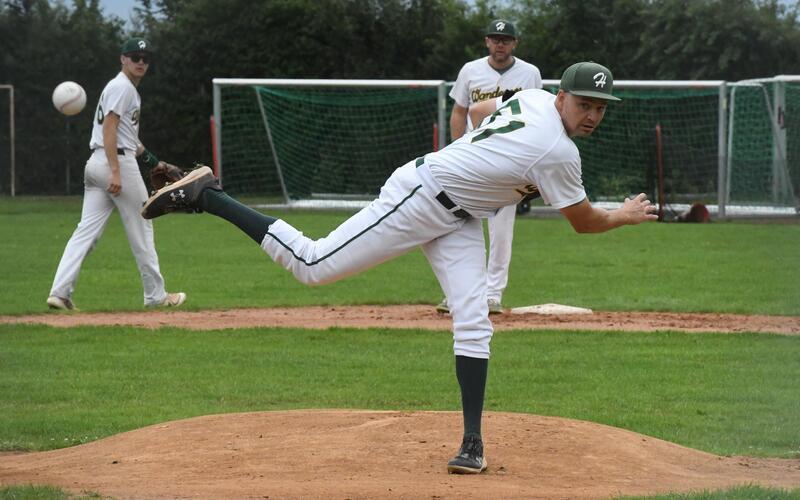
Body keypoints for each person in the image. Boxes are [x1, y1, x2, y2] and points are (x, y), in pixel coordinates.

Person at [141, 62, 657, 474]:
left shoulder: (534, 97)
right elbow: (585, 222)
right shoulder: (557, 152)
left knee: (474, 321)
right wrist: (625, 215)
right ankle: (207, 195)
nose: (591, 115)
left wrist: (487, 154)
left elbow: (479, 111)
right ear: (562, 97)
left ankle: (472, 444)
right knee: (312, 264)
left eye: (600, 108)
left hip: (460, 216)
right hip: (420, 197)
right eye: (584, 103)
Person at [46, 38, 185, 311]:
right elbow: (110, 129)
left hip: (97, 162)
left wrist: (154, 162)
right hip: (115, 163)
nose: (141, 62)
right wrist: (116, 172)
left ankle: (59, 292)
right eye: (135, 57)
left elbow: (129, 138)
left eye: (145, 58)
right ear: (123, 59)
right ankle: (156, 296)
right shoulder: (123, 88)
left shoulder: (120, 87)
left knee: (85, 232)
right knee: (143, 227)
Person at [438, 18, 543, 315]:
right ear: (487, 41)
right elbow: (459, 113)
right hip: (472, 160)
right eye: (495, 39)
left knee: (501, 231)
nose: (500, 44)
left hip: (510, 162)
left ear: (515, 43)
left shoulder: (530, 73)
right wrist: (455, 150)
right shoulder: (470, 71)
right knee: (459, 225)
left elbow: (539, 116)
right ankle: (459, 292)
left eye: (505, 39)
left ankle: (493, 294)